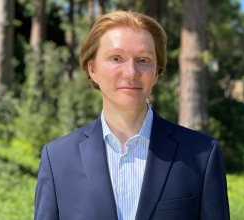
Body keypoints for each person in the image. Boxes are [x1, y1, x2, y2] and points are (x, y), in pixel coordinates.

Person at [34, 11, 230, 220]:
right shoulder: (57, 159)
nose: (131, 72)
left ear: (156, 72)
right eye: (116, 58)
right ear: (92, 69)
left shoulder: (202, 155)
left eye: (143, 60)